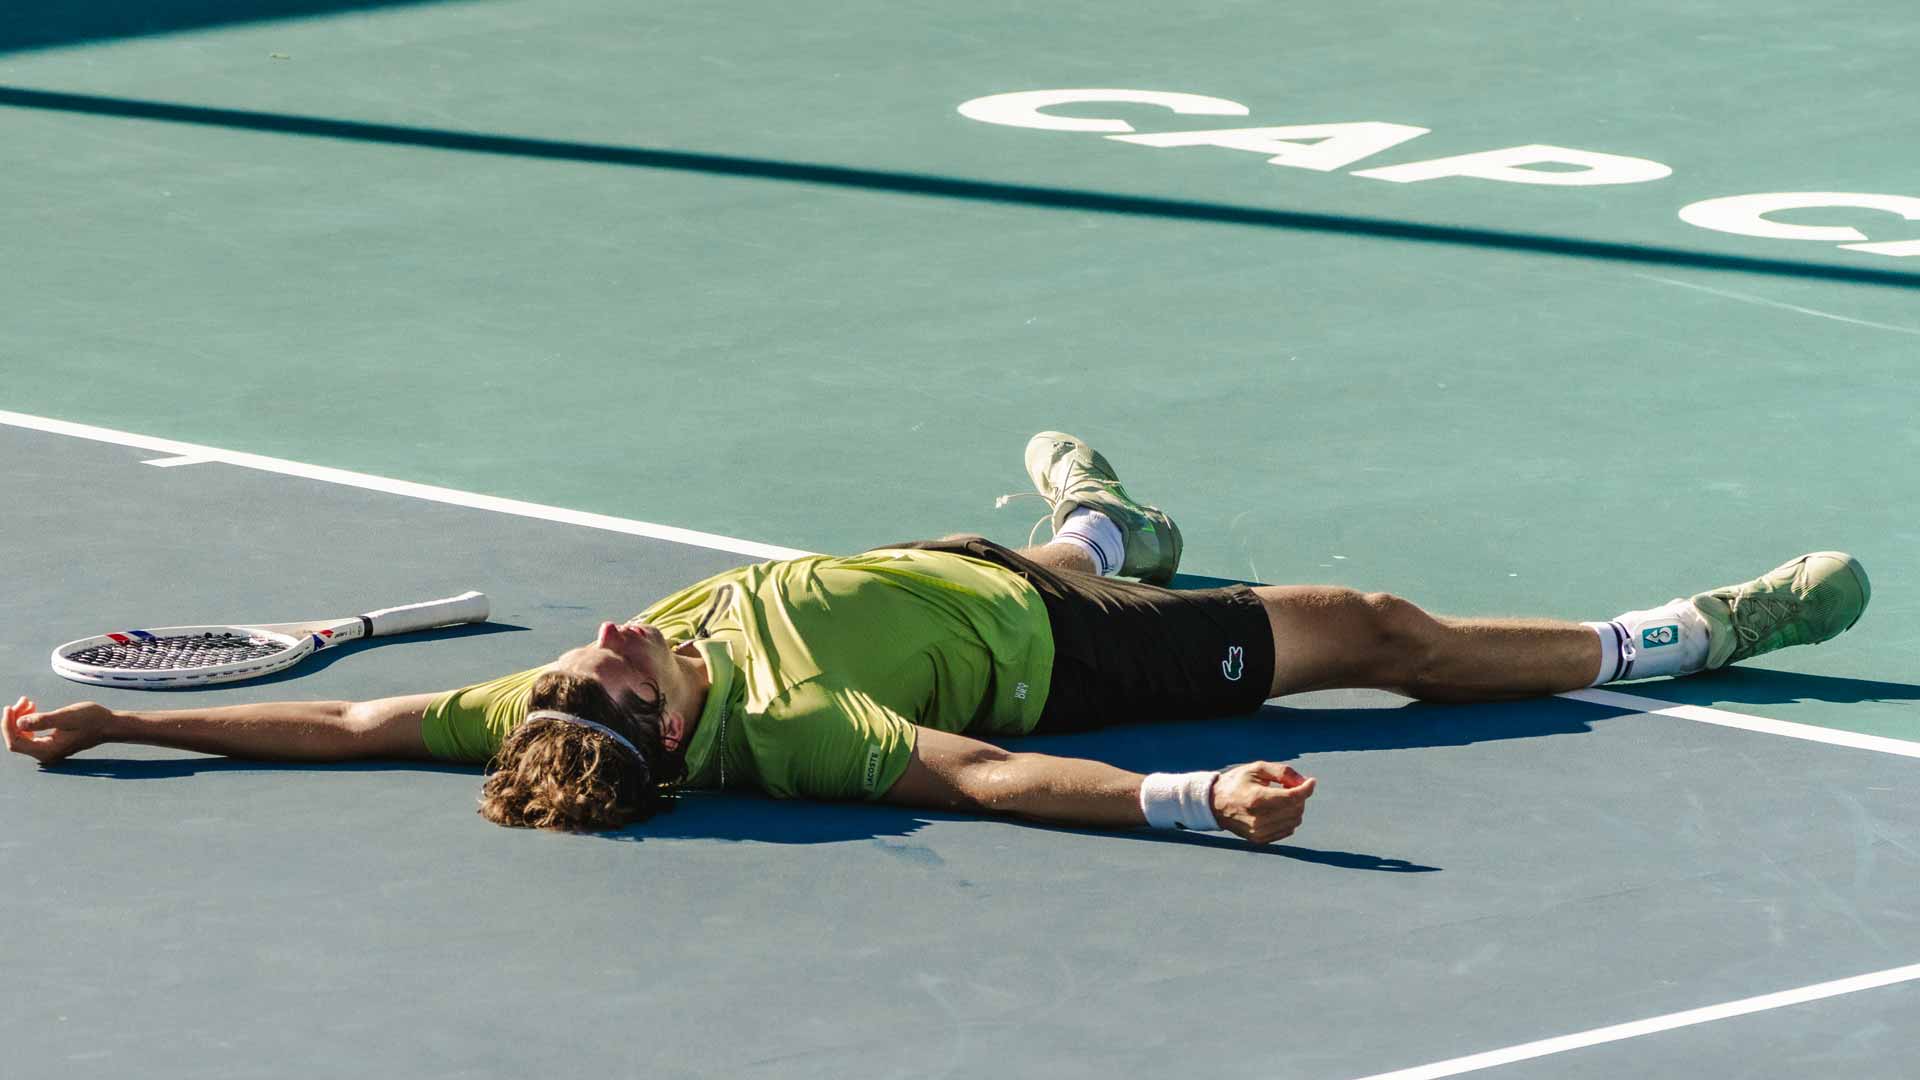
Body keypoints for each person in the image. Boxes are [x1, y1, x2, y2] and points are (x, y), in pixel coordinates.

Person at [3, 432, 1871, 846]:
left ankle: (1103, 522)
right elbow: (980, 770)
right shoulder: (806, 734)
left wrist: (130, 731)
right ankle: (1680, 638)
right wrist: (1194, 800)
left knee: (1043, 539)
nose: (598, 638)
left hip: (961, 565)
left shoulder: (531, 703)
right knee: (1380, 629)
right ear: (656, 735)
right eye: (610, 673)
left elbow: (344, 732)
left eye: (580, 664)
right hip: (1092, 663)